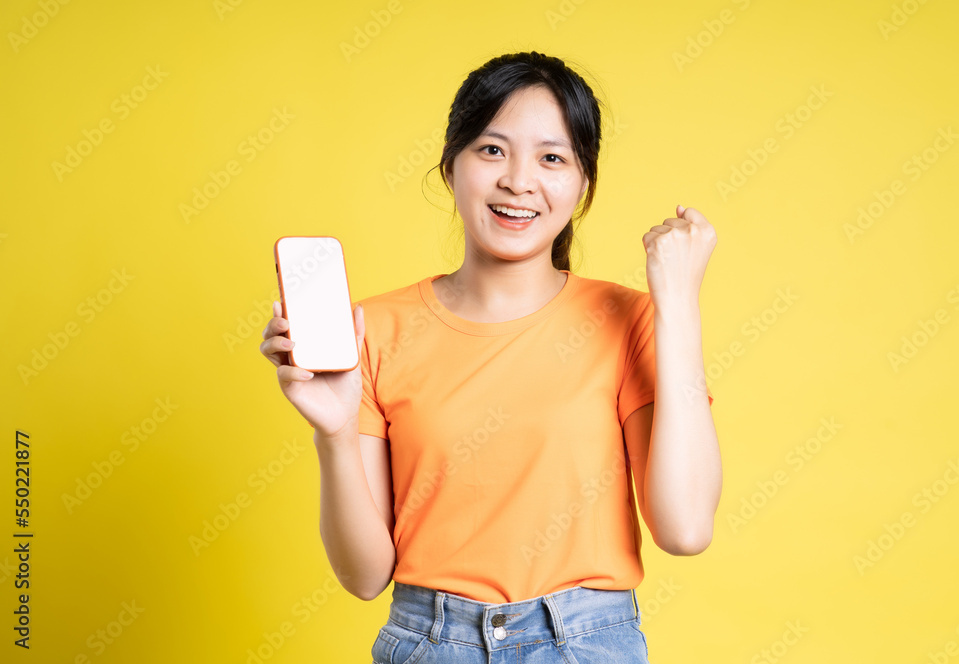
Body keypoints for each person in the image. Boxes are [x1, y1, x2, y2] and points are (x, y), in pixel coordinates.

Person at [260, 51, 721, 664]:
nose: (518, 181)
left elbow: (685, 529)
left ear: (584, 184)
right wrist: (336, 433)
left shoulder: (633, 322)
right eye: (492, 149)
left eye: (552, 158)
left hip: (585, 644)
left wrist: (679, 305)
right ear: (451, 166)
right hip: (429, 642)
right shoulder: (369, 331)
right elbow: (365, 576)